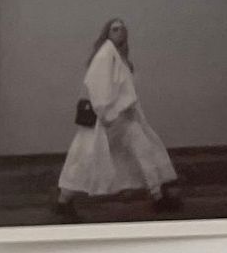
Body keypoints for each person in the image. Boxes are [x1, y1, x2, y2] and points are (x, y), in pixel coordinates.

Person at [56, 17, 182, 216]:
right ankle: (63, 201)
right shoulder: (106, 55)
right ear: (107, 32)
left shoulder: (117, 55)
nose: (119, 32)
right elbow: (97, 85)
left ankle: (158, 196)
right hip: (110, 119)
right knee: (87, 157)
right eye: (115, 29)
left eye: (122, 29)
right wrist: (107, 113)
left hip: (123, 118)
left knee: (143, 150)